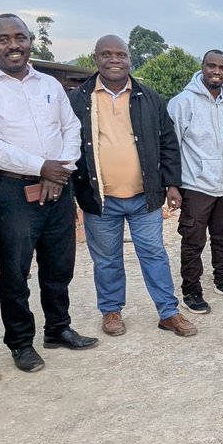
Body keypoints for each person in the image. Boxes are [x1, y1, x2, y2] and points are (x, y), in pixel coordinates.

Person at [0, 14, 98, 373]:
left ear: (30, 41)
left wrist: (59, 169)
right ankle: (20, 342)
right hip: (12, 189)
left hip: (58, 186)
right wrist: (41, 167)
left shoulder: (49, 84)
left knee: (59, 263)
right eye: (4, 39)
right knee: (15, 269)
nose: (13, 45)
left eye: (20, 37)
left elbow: (72, 128)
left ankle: (58, 328)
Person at [69, 35, 196, 338]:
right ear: (95, 58)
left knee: (154, 253)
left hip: (144, 196)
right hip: (100, 197)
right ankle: (111, 311)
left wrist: (173, 185)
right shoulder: (78, 99)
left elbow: (168, 143)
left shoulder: (148, 98)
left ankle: (168, 312)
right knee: (107, 258)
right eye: (106, 54)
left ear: (129, 59)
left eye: (121, 55)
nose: (114, 60)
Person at [168, 49, 223, 314]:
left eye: (222, 68)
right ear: (202, 67)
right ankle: (191, 290)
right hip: (196, 185)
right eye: (212, 66)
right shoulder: (182, 103)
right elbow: (171, 145)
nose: (217, 72)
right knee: (193, 240)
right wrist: (172, 185)